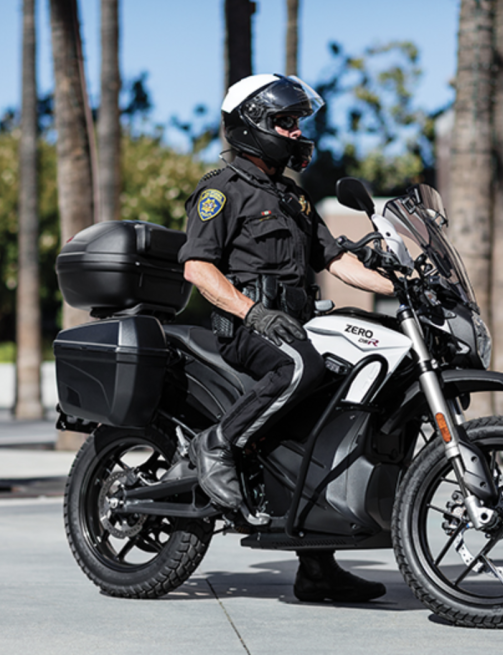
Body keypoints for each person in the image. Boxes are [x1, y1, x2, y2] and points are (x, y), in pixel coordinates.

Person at [178, 73, 395, 603]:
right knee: (301, 367)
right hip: (247, 330)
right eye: (285, 122)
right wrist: (253, 312)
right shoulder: (219, 190)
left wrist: (403, 284)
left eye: (299, 122)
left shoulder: (293, 199)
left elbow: (338, 260)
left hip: (294, 327)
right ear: (252, 125)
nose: (297, 132)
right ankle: (217, 444)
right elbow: (198, 270)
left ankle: (317, 569)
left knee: (333, 414)